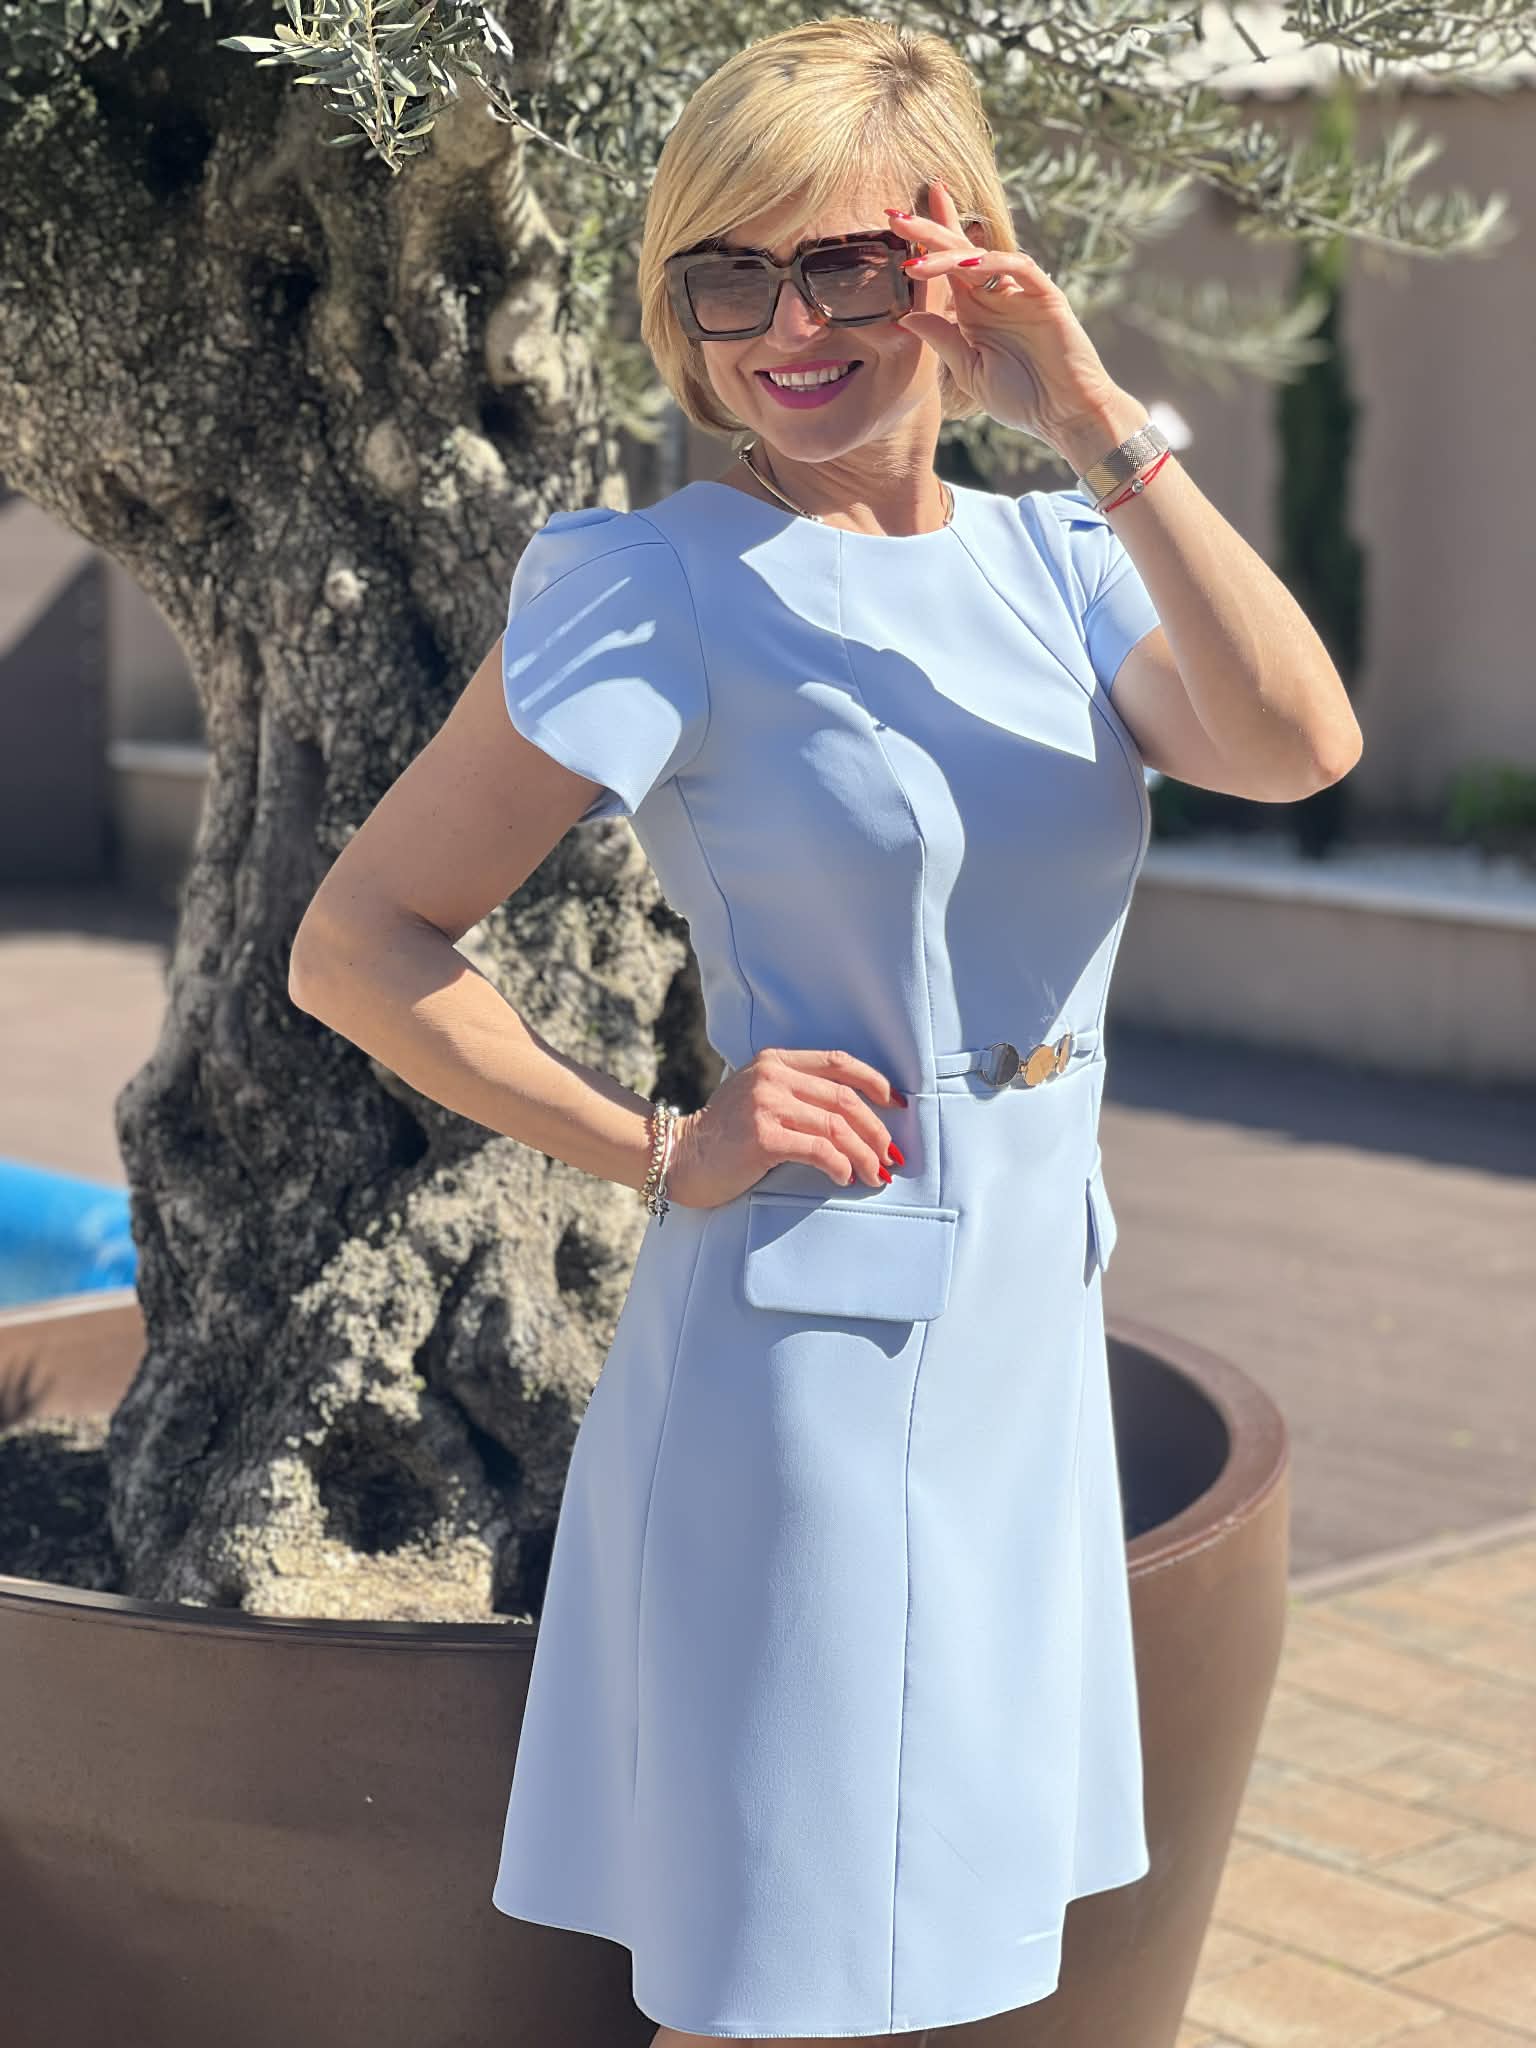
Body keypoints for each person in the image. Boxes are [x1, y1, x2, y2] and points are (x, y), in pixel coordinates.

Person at [289, 15, 1362, 2044]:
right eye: (731, 273)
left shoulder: (1064, 557)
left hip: (1022, 1346)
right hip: (809, 1382)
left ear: (959, 268)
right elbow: (358, 944)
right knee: (775, 1971)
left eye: (850, 265)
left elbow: (1300, 742)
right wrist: (659, 1142)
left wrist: (1086, 406)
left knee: (937, 1954)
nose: (788, 326)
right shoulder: (662, 584)